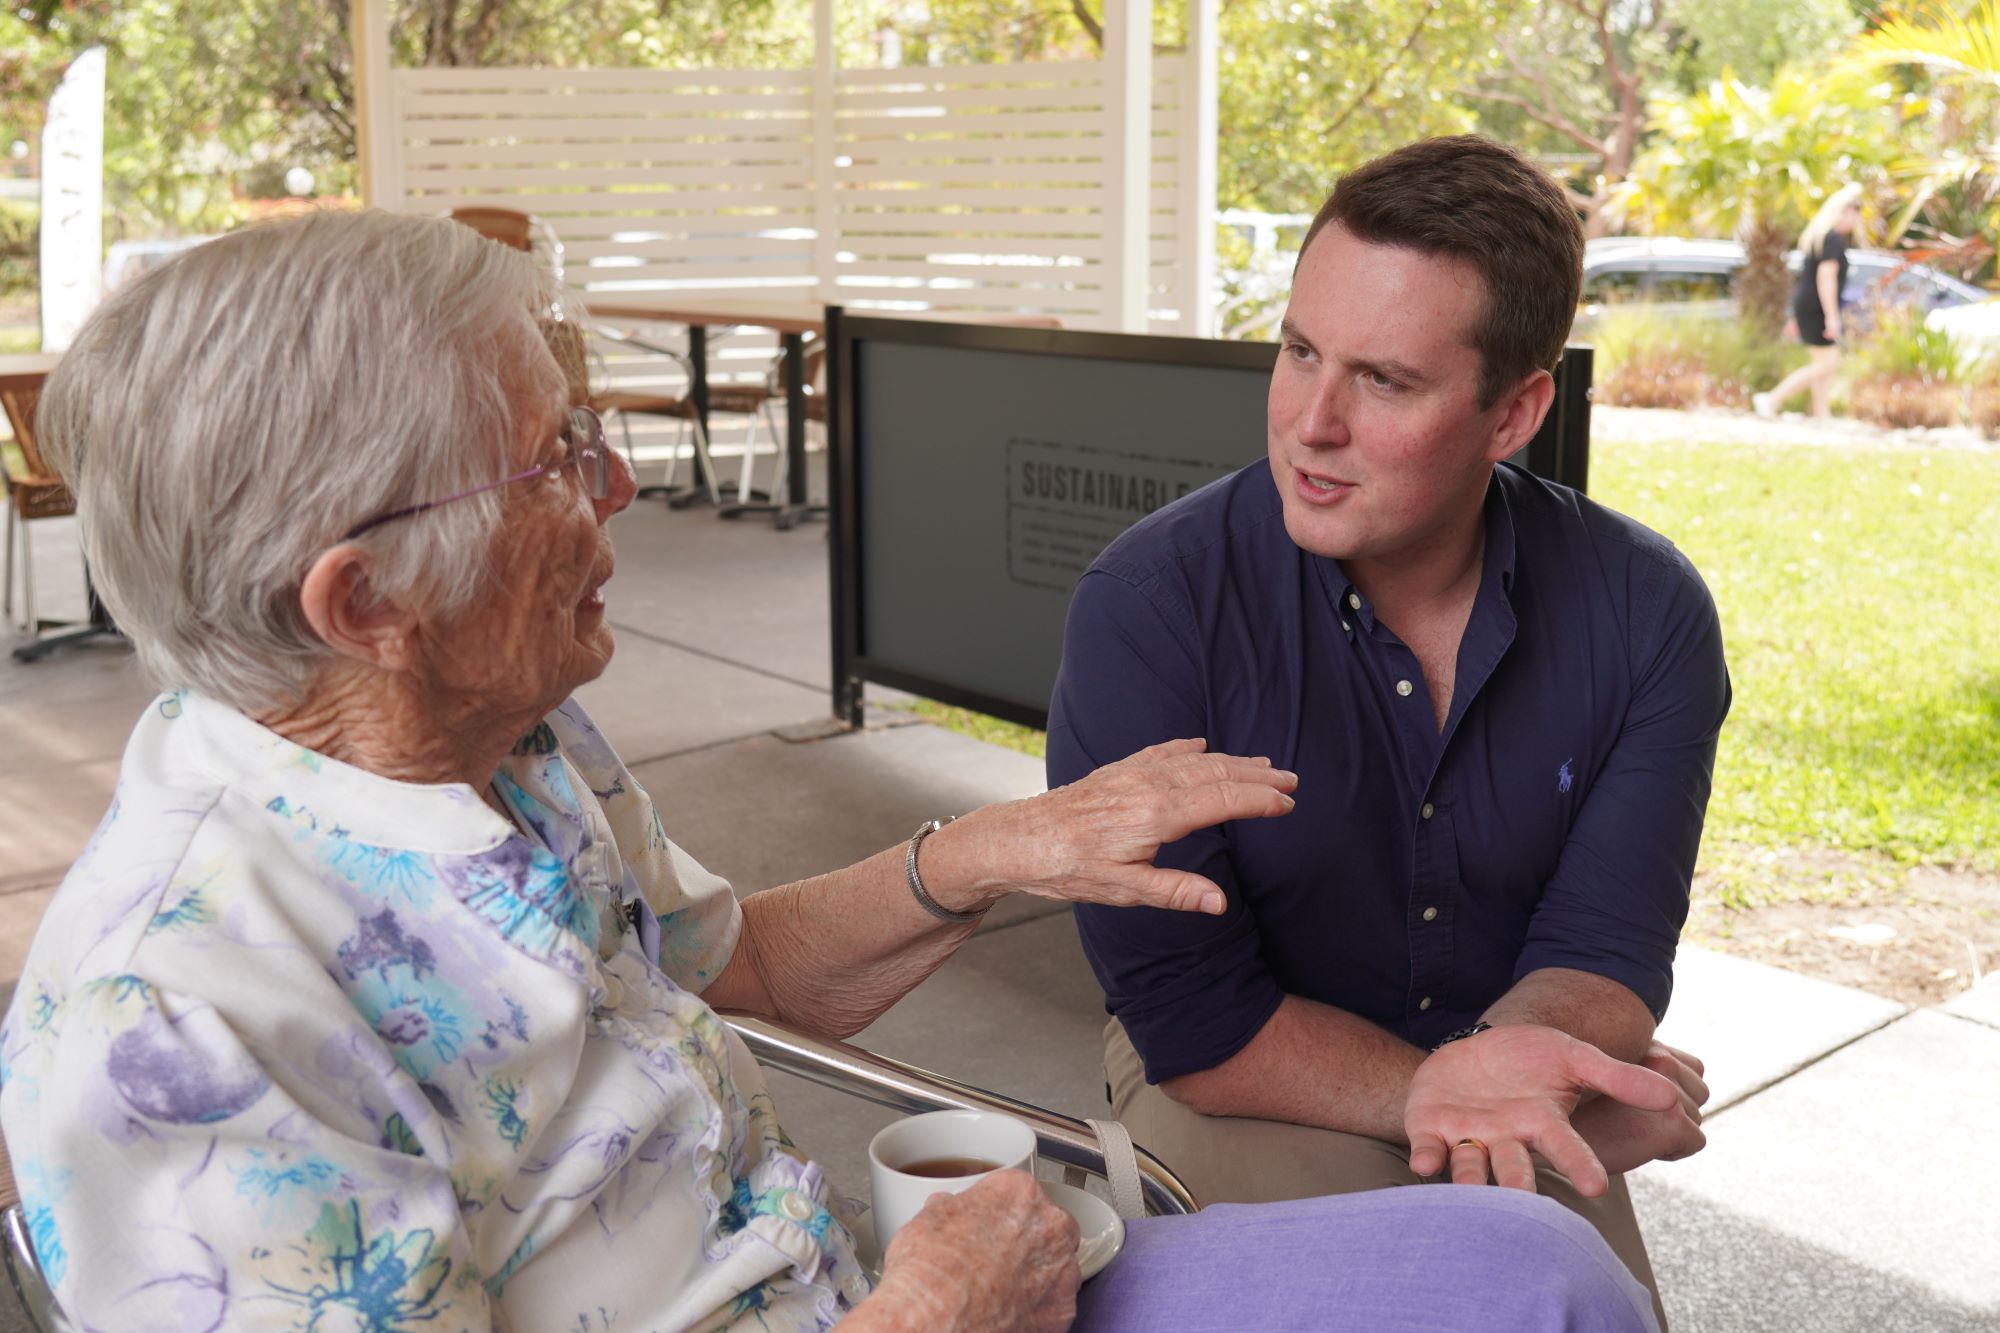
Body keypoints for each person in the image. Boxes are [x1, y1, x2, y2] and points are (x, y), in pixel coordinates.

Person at [0, 209, 1666, 1331]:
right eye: (559, 463)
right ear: (363, 604)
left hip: (855, 1268)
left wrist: (1000, 849)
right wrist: (923, 1318)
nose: (616, 496)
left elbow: (746, 962)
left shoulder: (494, 737)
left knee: (1530, 1271)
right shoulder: (176, 1038)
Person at [1047, 135, 1730, 1325]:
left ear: (1513, 411)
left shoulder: (1643, 611)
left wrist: (1513, 1067)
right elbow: (1197, 1022)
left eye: (1382, 380)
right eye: (1298, 351)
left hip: (1502, 1052)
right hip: (1244, 1078)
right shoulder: (1150, 606)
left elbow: (1603, 954)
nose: (1309, 422)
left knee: (1585, 1312)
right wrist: (1458, 1088)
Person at [1755, 184, 1863, 419]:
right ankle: (1772, 399)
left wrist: (1796, 314)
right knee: (1827, 364)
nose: (1857, 218)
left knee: (1821, 362)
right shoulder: (1832, 239)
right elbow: (1826, 278)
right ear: (1843, 211)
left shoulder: (1818, 237)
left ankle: (1822, 414)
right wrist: (1832, 316)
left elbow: (1806, 280)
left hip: (1807, 305)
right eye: (1855, 211)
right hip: (1818, 307)